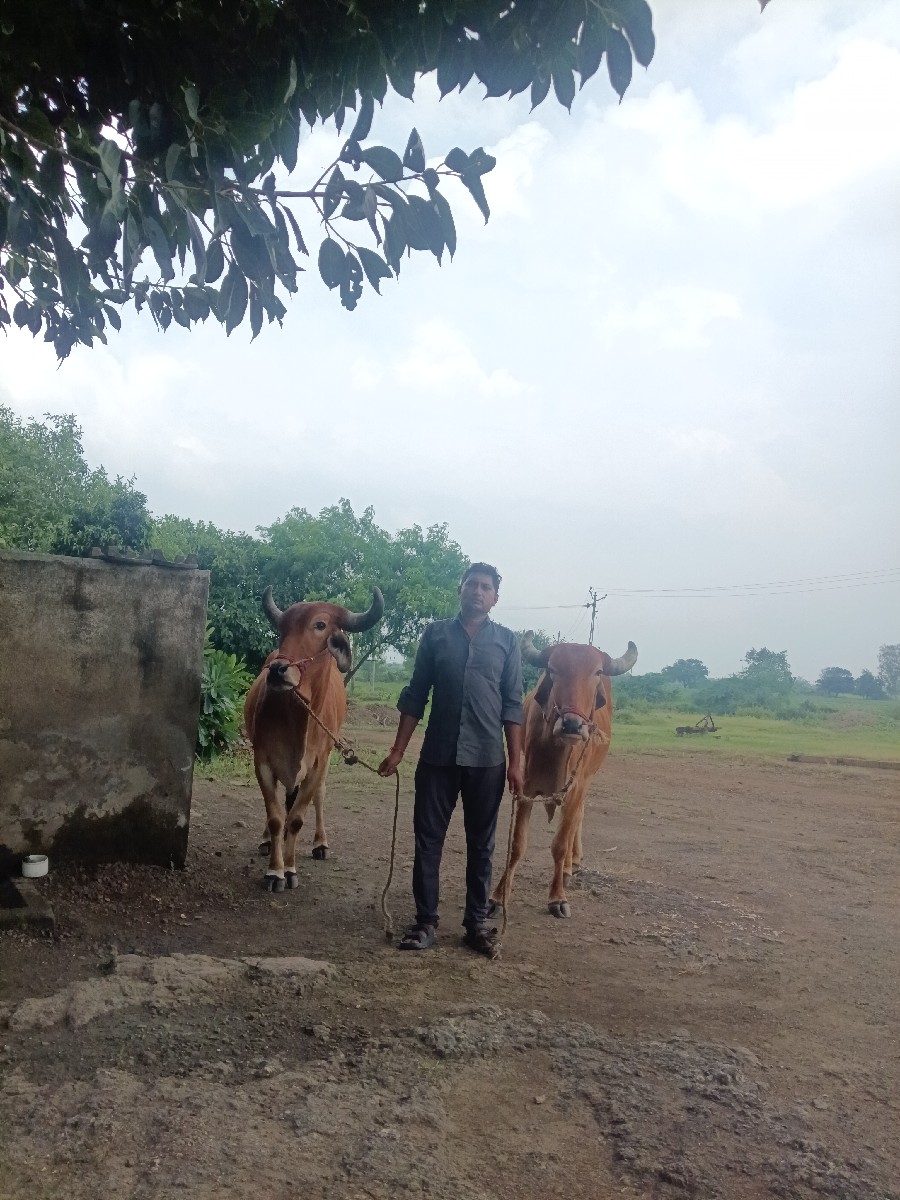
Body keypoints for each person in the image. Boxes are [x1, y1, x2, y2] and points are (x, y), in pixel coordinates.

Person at [378, 562, 524, 956]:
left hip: (487, 759)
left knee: (482, 845)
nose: (477, 591)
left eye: (486, 587)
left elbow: (512, 704)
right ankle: (425, 922)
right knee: (428, 841)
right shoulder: (436, 635)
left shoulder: (507, 642)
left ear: (495, 598)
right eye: (471, 584)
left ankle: (476, 925)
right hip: (437, 757)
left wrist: (517, 762)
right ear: (460, 589)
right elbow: (416, 694)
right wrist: (398, 750)